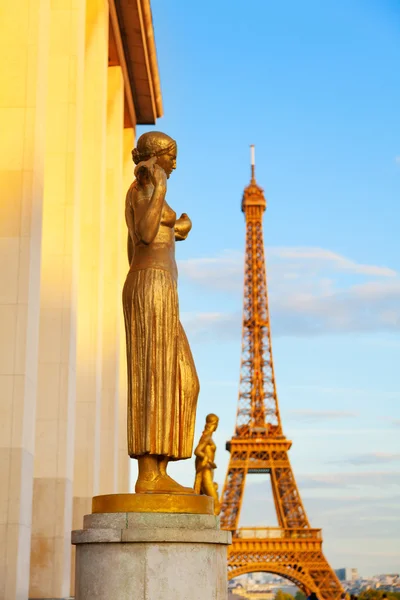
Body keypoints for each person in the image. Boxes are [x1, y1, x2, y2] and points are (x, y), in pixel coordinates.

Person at [123, 131, 200, 494]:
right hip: (151, 285)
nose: (176, 162)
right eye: (172, 155)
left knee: (183, 381)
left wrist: (178, 226)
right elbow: (144, 230)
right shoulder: (144, 187)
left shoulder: (149, 190)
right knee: (154, 374)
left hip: (160, 287)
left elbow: (151, 235)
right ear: (159, 155)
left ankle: (161, 469)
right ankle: (148, 475)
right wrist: (162, 193)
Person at [194, 414, 220, 514]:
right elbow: (197, 451)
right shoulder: (207, 437)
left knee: (206, 504)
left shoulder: (206, 436)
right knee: (216, 505)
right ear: (214, 424)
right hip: (206, 470)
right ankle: (211, 527)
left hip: (208, 470)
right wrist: (208, 460)